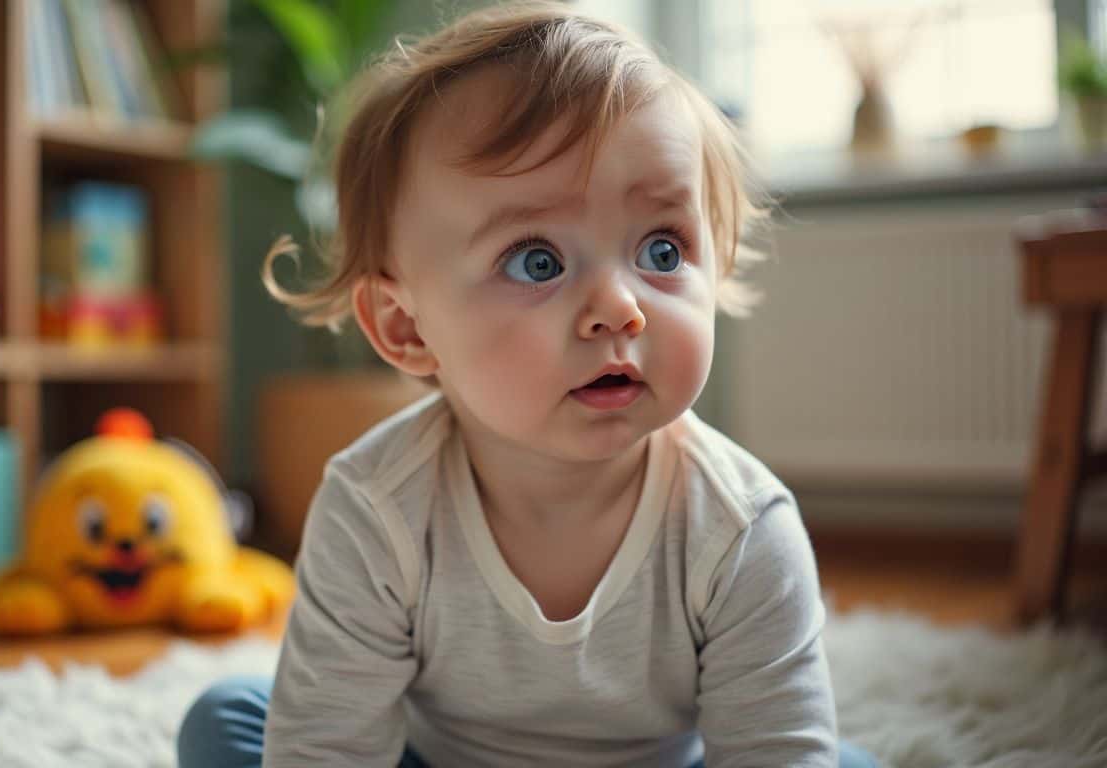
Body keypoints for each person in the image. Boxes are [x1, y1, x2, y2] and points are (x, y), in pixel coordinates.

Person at [179, 2, 877, 766]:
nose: (621, 307)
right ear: (407, 329)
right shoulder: (374, 510)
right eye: (536, 261)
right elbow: (326, 748)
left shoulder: (742, 530)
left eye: (663, 250)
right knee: (228, 719)